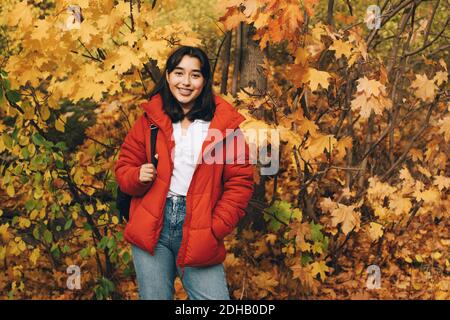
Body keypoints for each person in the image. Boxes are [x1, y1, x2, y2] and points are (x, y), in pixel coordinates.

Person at [114, 45, 254, 300]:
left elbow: (241, 183)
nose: (185, 82)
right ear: (168, 76)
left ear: (204, 80)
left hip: (200, 225)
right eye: (179, 73)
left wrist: (216, 226)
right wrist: (137, 176)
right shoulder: (150, 119)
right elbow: (124, 167)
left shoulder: (223, 124)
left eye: (195, 75)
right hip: (152, 227)